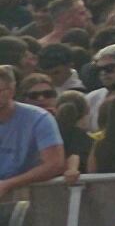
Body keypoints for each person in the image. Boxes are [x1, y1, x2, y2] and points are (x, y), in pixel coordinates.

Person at [0, 61, 70, 201]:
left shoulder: (39, 118)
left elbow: (54, 164)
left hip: (29, 199)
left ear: (12, 90)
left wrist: (7, 184)